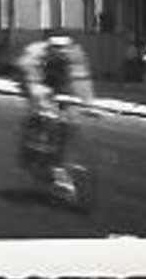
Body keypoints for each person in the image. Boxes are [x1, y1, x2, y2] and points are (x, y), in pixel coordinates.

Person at [13, 31, 99, 195]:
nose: (61, 51)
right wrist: (39, 96)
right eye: (57, 48)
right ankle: (35, 144)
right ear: (49, 46)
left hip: (57, 82)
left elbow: (81, 79)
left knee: (68, 121)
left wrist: (89, 104)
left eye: (64, 48)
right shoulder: (36, 52)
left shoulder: (74, 54)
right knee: (45, 113)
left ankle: (56, 157)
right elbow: (30, 77)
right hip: (33, 79)